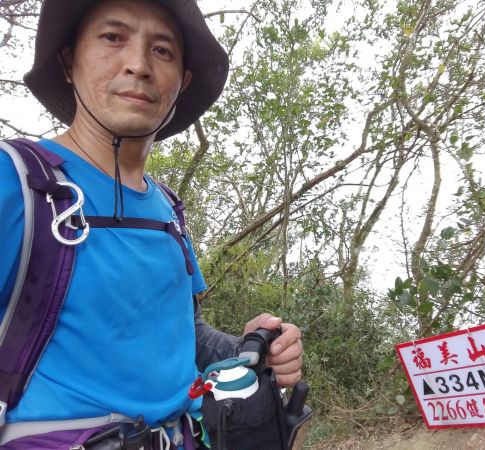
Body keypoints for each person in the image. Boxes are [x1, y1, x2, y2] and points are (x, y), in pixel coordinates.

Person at [0, 0, 303, 448]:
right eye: (112, 37)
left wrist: (250, 350)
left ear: (181, 83)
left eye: (161, 50)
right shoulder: (16, 181)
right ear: (69, 61)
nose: (138, 65)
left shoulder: (167, 210)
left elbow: (184, 333)